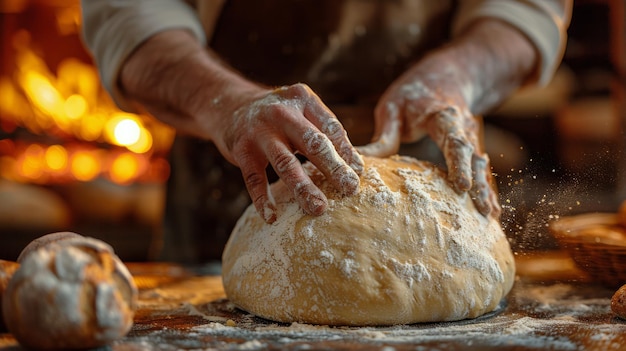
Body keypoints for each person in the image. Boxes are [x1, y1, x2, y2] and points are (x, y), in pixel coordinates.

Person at [80, 0, 572, 262]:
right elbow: (127, 12)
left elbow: (524, 9)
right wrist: (229, 104)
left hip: (425, 180)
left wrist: (458, 75)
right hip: (234, 171)